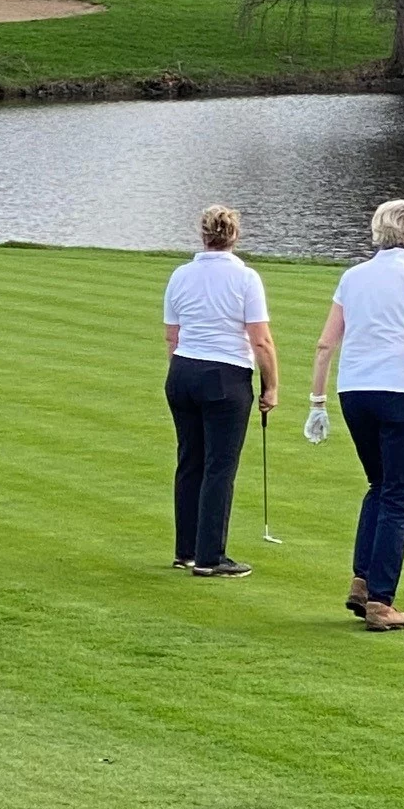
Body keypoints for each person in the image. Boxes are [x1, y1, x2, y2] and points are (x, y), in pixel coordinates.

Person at [304, 198, 404, 632]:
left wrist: (317, 402)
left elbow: (325, 344)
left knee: (379, 484)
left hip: (355, 392)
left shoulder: (353, 277)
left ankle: (362, 581)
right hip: (399, 392)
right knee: (396, 495)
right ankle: (381, 601)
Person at [163, 205, 279, 578]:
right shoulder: (246, 279)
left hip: (182, 372)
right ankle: (210, 556)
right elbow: (261, 341)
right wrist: (271, 386)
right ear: (234, 236)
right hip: (225, 376)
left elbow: (172, 337)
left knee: (190, 461)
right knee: (218, 466)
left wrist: (184, 370)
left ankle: (187, 550)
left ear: (203, 236)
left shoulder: (180, 275)